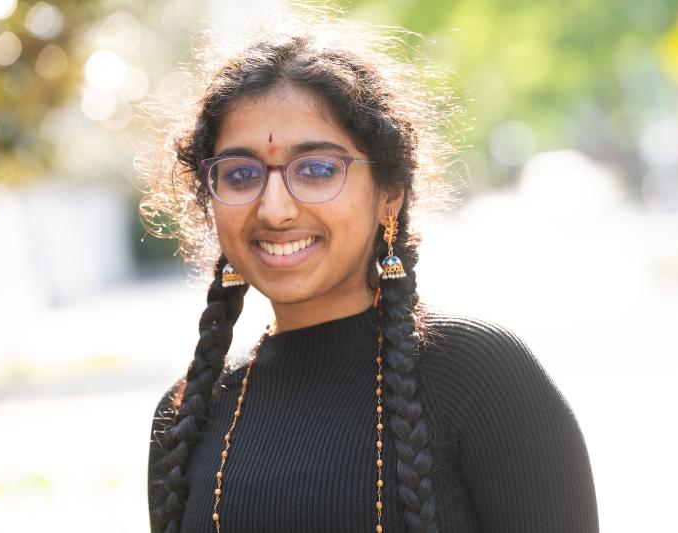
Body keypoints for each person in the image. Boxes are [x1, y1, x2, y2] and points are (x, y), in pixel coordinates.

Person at [142, 9, 598, 533]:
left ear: (389, 195)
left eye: (315, 170)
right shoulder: (187, 417)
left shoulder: (480, 376)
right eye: (241, 174)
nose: (274, 208)